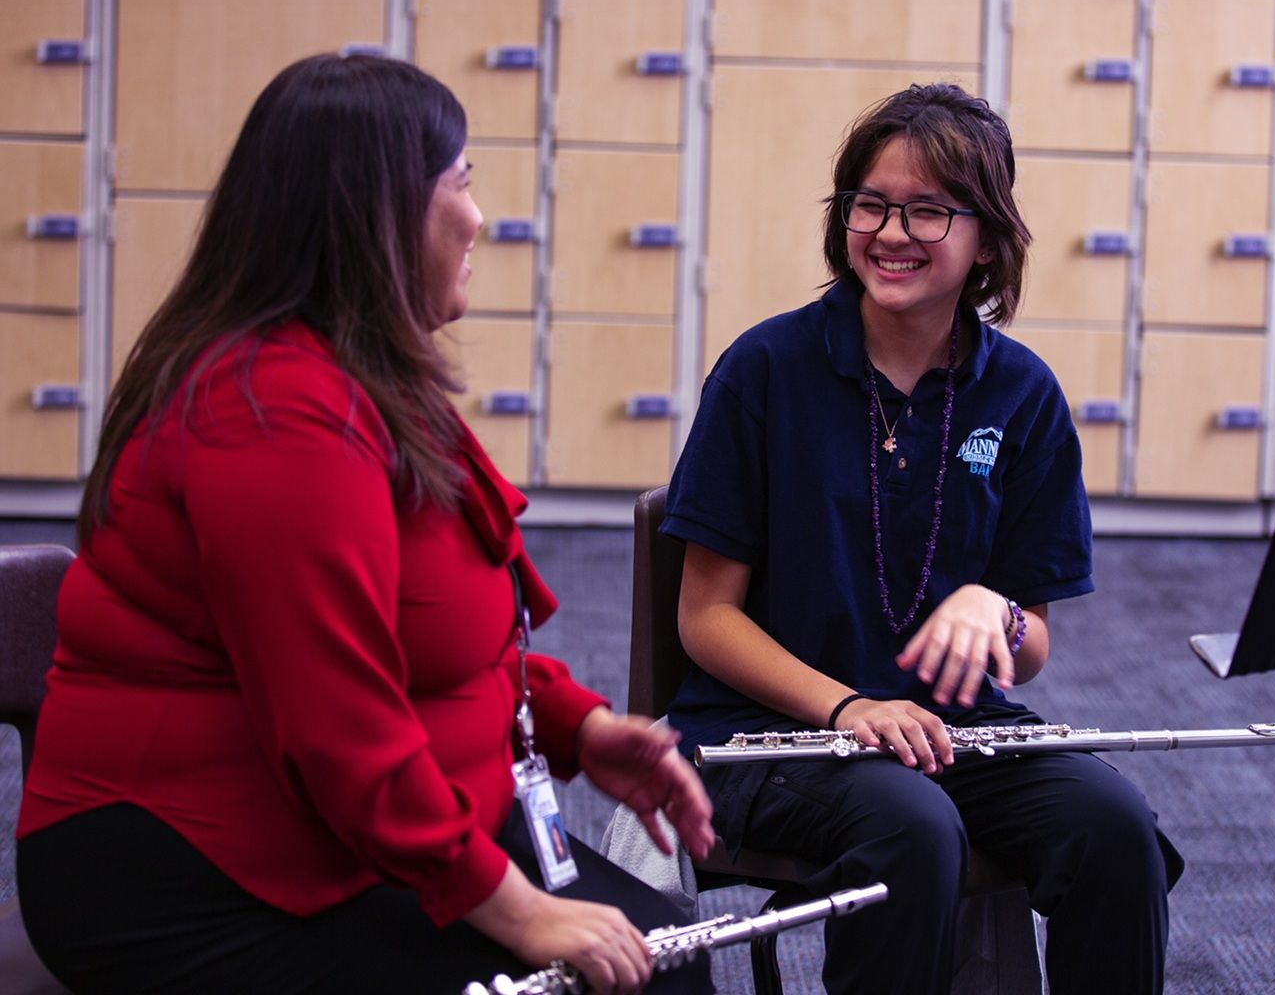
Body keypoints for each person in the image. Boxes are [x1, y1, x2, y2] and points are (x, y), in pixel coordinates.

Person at [17, 53, 714, 995]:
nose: (480, 218)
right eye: (459, 184)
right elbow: (336, 727)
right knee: (635, 976)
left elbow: (431, 626)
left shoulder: (365, 375)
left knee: (662, 952)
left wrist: (572, 727)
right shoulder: (266, 414)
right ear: (374, 215)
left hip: (352, 828)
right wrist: (522, 912)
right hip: (198, 872)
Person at [662, 83, 1184, 993]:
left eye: (928, 211)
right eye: (871, 203)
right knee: (910, 828)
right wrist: (846, 709)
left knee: (1113, 825)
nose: (891, 231)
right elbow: (705, 618)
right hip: (775, 736)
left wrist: (999, 613)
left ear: (987, 237)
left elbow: (1027, 654)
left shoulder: (1020, 393)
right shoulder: (763, 370)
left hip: (956, 732)